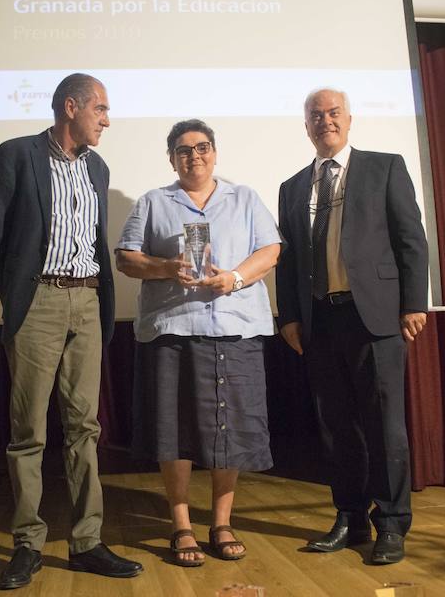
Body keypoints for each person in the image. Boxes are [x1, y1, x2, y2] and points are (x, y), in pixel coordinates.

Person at [0, 73, 143, 590]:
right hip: (39, 301)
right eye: (100, 109)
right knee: (29, 432)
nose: (106, 120)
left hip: (89, 300)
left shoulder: (98, 166)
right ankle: (28, 544)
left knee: (85, 428)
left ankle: (87, 542)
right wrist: (19, 300)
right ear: (70, 107)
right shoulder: (17, 154)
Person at [116, 119, 281, 567]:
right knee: (175, 431)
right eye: (183, 150)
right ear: (171, 158)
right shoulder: (153, 201)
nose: (194, 156)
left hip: (236, 325)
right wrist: (168, 268)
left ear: (215, 152)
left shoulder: (244, 197)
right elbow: (126, 258)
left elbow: (270, 250)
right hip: (173, 328)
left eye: (202, 147)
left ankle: (222, 522)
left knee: (230, 431)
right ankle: (181, 524)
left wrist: (234, 278)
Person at [276, 88, 428, 565]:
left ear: (349, 119)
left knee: (385, 425)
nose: (325, 121)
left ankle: (390, 523)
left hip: (377, 316)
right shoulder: (293, 187)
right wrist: (291, 316)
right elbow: (290, 261)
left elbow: (411, 240)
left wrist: (413, 302)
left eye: (333, 112)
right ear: (306, 127)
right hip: (321, 320)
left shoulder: (385, 167)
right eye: (315, 116)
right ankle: (349, 516)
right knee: (337, 427)